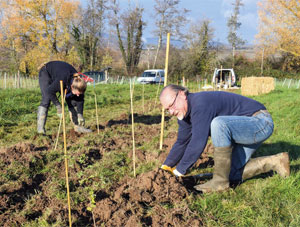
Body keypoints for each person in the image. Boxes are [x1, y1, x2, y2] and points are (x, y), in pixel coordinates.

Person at [160, 84, 290, 193]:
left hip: (260, 123)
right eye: (167, 109)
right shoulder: (184, 115)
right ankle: (276, 162)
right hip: (244, 129)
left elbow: (198, 141)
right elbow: (182, 142)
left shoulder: (200, 103)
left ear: (182, 94)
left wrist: (180, 170)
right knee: (230, 173)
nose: (171, 112)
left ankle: (219, 183)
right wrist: (166, 166)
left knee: (218, 124)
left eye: (172, 105)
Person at [37, 61, 92, 134]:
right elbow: (49, 91)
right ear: (72, 87)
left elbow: (79, 100)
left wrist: (80, 114)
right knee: (46, 99)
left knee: (73, 99)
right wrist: (59, 107)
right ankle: (40, 130)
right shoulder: (62, 80)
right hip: (46, 72)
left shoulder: (78, 82)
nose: (78, 95)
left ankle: (78, 127)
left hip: (62, 74)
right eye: (78, 93)